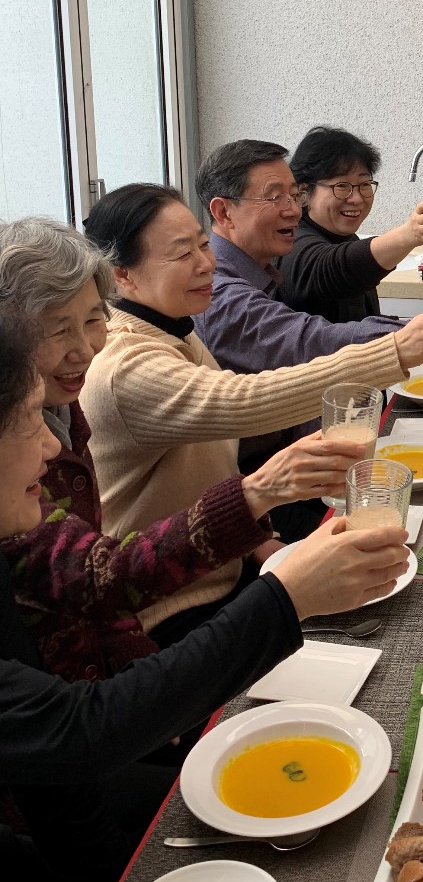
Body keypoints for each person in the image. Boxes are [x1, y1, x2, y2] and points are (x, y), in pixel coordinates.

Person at [0, 308, 408, 882]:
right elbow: (76, 729)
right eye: (24, 422)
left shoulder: (24, 502)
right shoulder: (126, 372)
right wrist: (285, 598)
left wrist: (259, 499)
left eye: (91, 317)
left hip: (71, 790)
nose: (50, 447)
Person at [0, 216, 362, 683]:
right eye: (56, 330)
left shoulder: (67, 403)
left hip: (145, 625)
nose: (84, 350)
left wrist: (258, 529)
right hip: (151, 623)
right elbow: (98, 579)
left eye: (92, 320)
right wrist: (258, 493)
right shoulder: (88, 390)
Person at [80, 182, 423, 620]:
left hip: (223, 564)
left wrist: (256, 542)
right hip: (166, 609)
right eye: (183, 254)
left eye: (203, 246)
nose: (207, 264)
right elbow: (241, 402)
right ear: (122, 275)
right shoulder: (125, 364)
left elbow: (202, 464)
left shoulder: (174, 327)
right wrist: (397, 349)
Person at [191, 141, 423, 527]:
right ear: (222, 212)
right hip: (267, 500)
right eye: (275, 196)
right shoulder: (218, 292)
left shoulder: (262, 267)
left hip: (316, 464)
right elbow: (308, 337)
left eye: (292, 194)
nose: (291, 209)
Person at [280, 124, 423, 322]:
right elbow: (330, 269)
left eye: (364, 184)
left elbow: (364, 321)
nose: (357, 198)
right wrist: (410, 234)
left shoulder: (345, 238)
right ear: (303, 192)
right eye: (342, 186)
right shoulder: (290, 244)